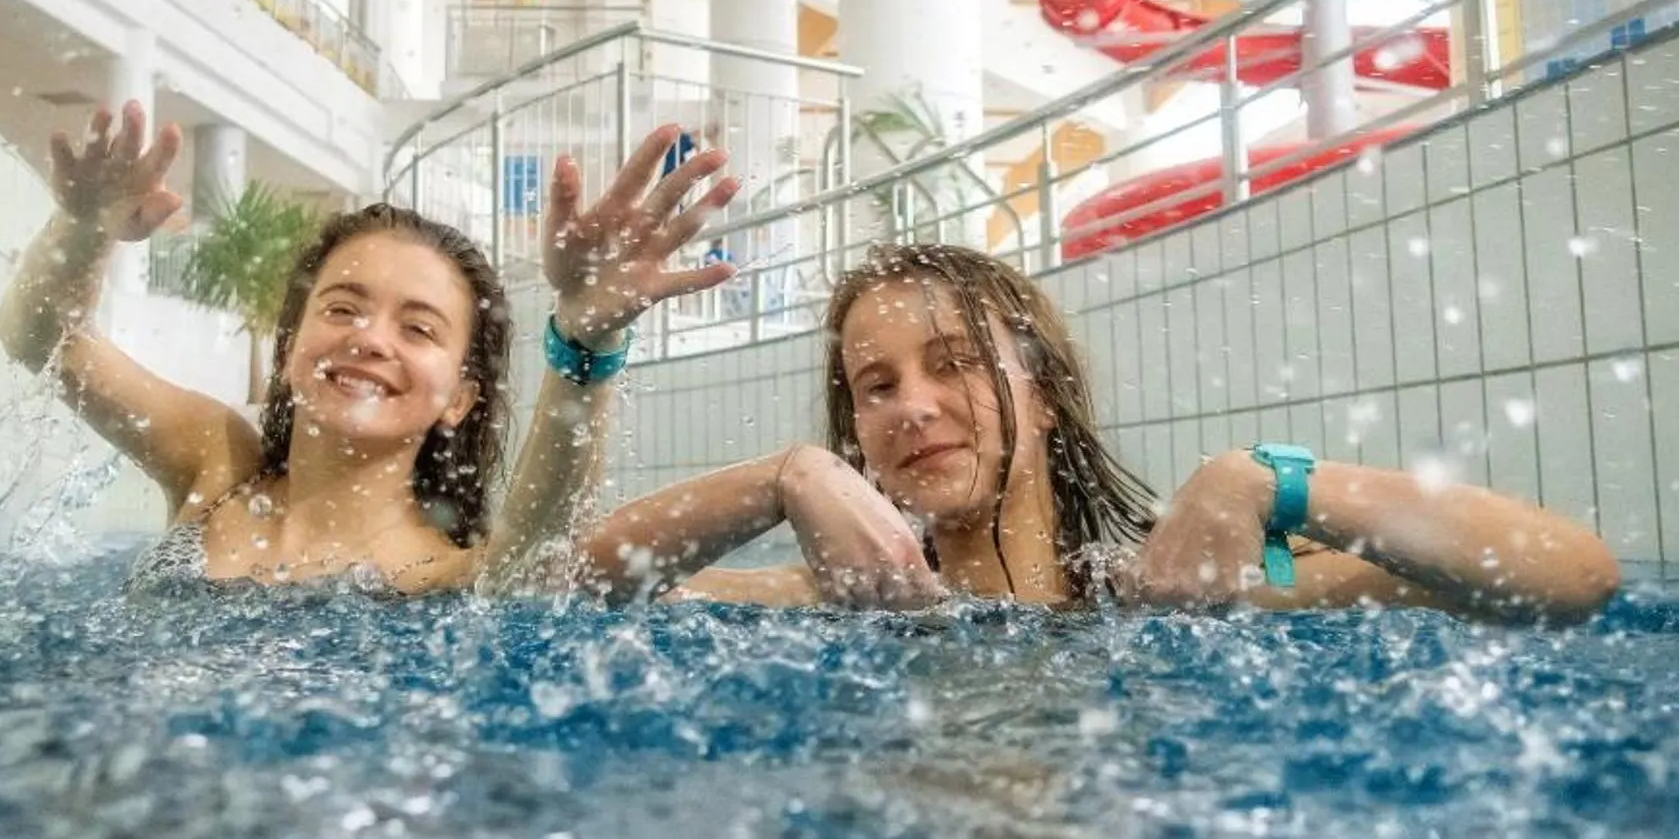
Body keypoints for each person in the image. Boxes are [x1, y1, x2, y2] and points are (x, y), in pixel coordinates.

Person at [560, 243, 1622, 623]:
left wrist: (1272, 482)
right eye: (874, 387)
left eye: (953, 362)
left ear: (1044, 394)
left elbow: (1570, 577)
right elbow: (573, 588)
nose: (911, 406)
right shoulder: (834, 600)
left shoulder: (1171, 588)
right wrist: (779, 476)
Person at [0, 104, 739, 593]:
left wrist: (587, 336)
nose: (369, 337)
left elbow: (544, 554)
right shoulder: (215, 465)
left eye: (418, 328)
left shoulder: (444, 578)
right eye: (343, 308)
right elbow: (38, 338)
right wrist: (83, 226)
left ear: (459, 398)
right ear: (292, 346)